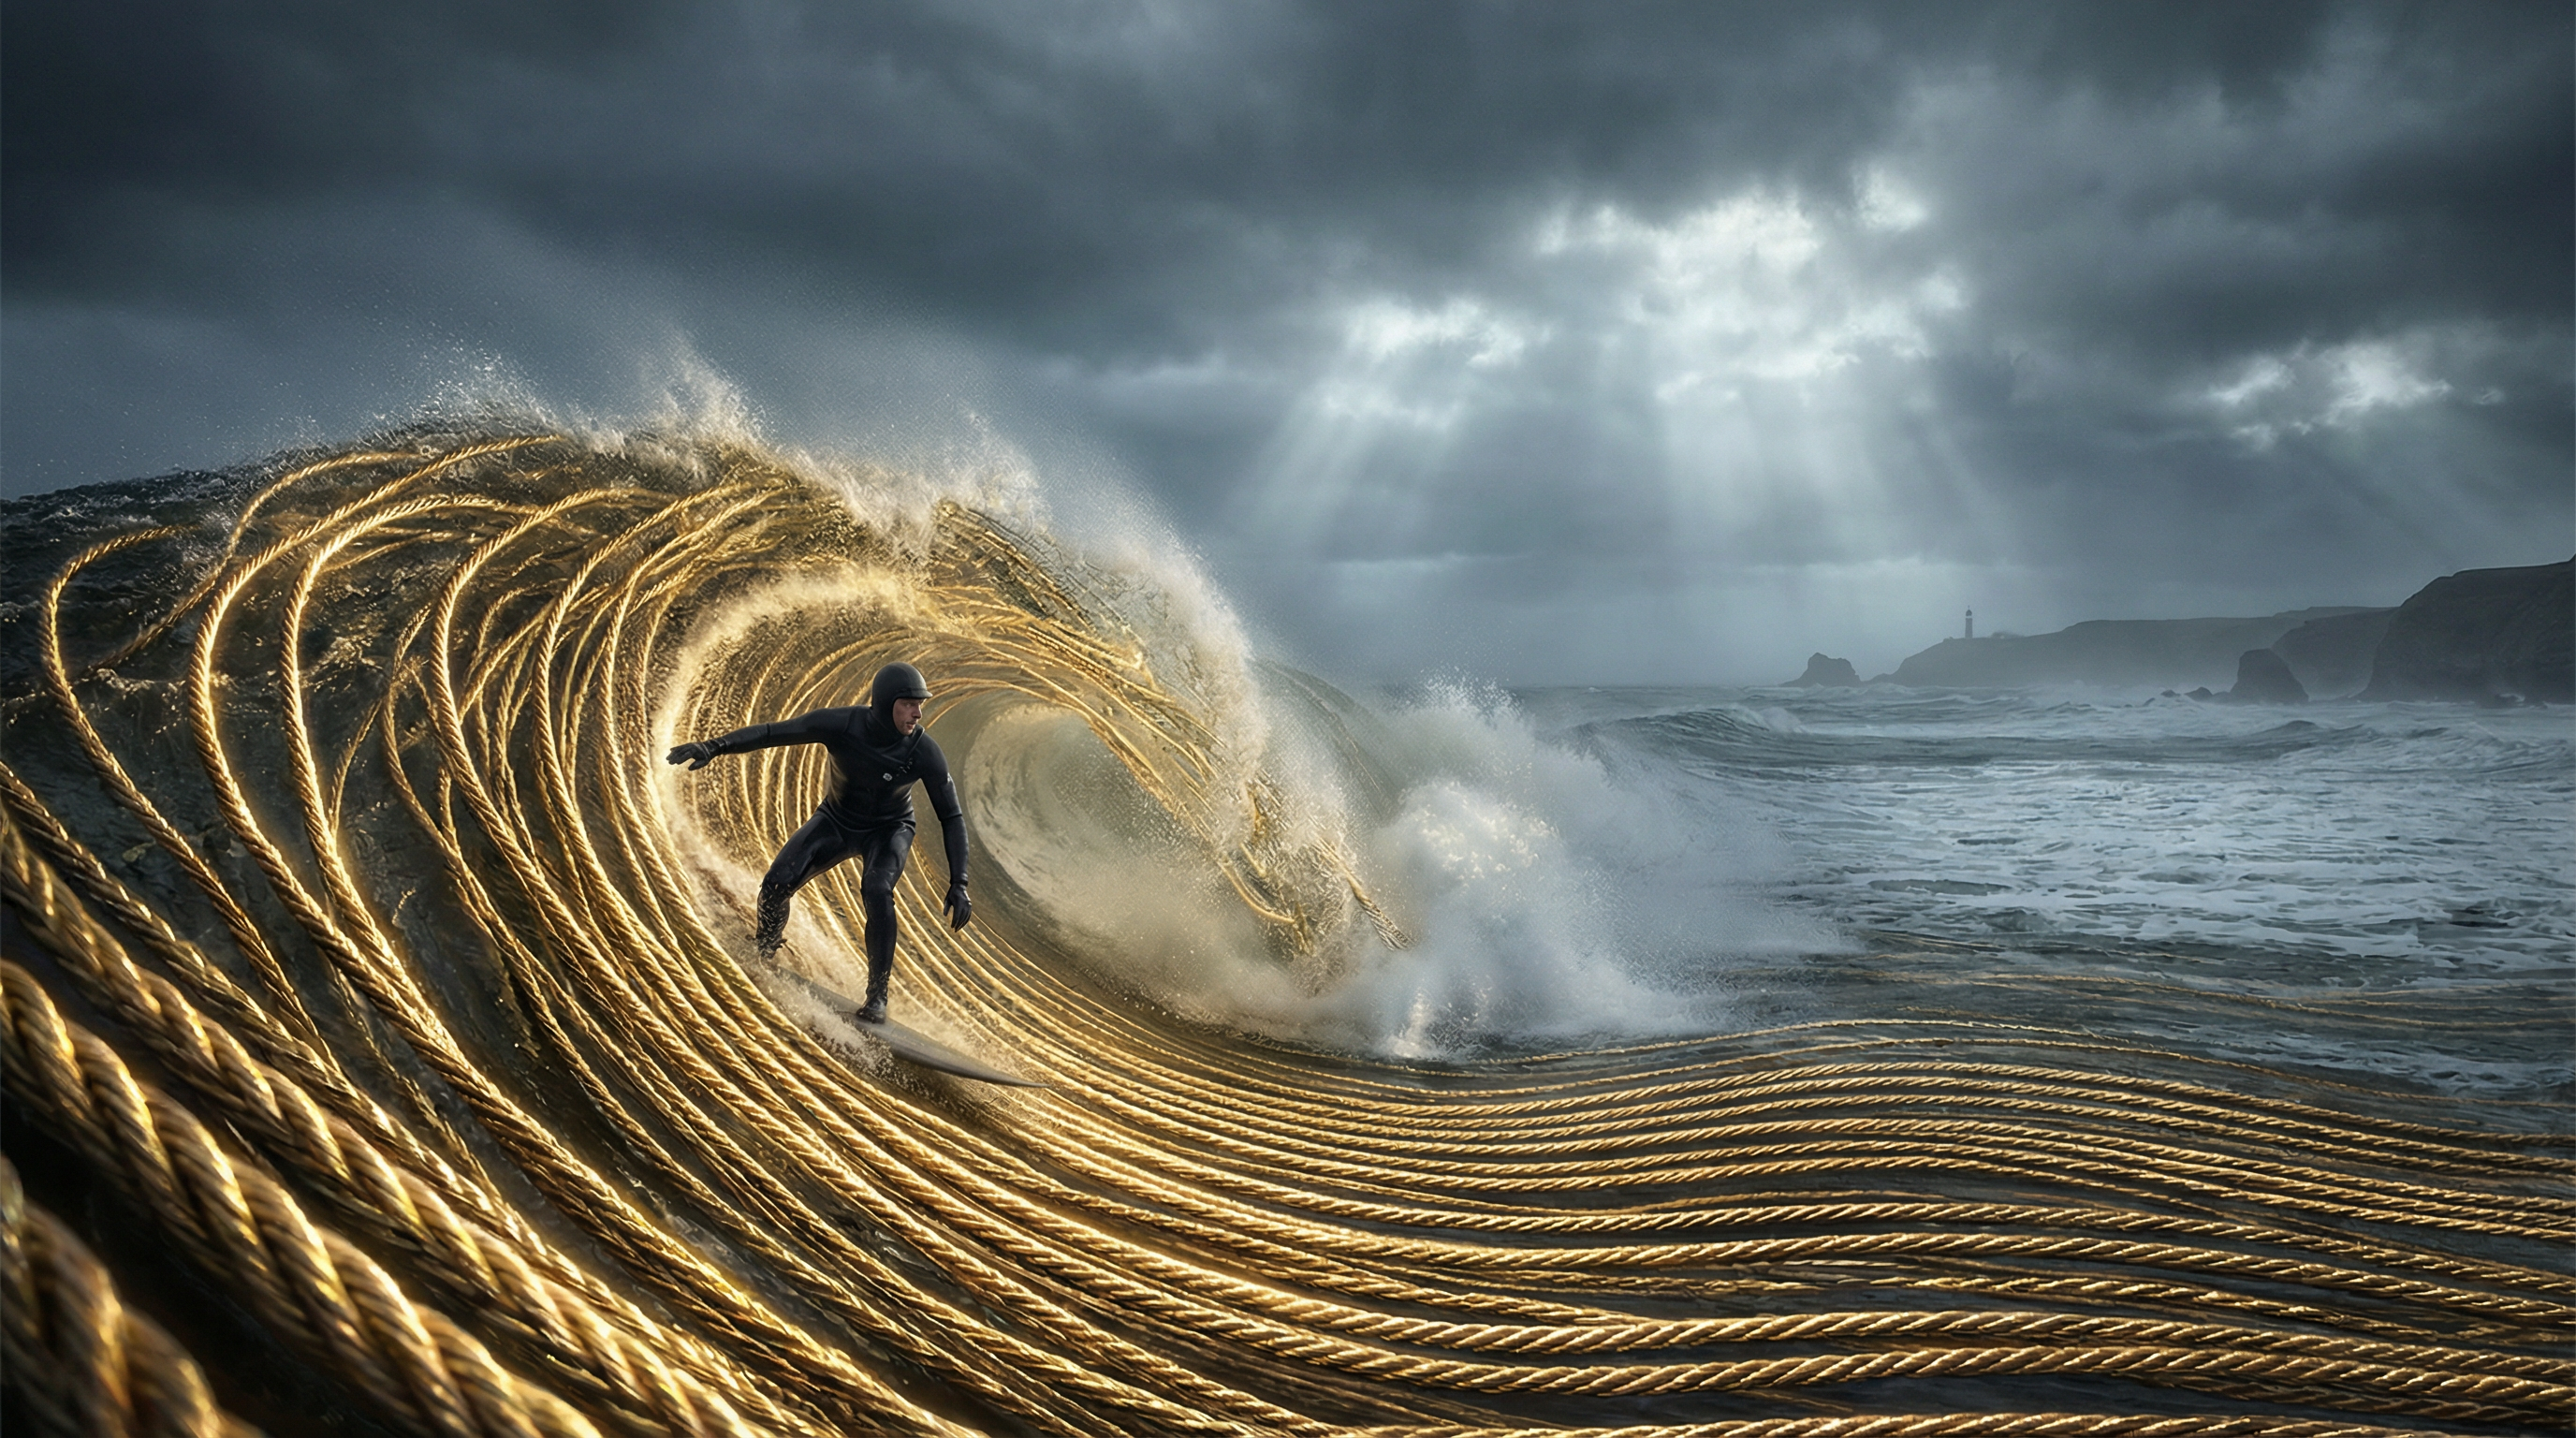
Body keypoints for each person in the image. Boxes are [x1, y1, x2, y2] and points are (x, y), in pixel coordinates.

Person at [667, 661, 970, 1023]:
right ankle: (764, 949)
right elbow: (772, 733)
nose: (917, 713)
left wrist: (959, 882)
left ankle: (877, 997)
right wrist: (714, 746)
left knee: (876, 887)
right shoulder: (843, 725)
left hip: (889, 831)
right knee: (777, 883)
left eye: (920, 704)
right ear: (887, 702)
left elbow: (950, 816)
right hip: (837, 820)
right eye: (908, 703)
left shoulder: (924, 751)